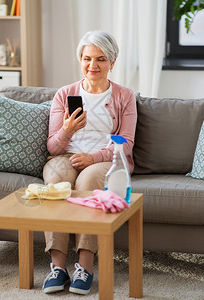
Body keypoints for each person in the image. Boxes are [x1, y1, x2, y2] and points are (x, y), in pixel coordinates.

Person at [41, 30, 137, 295]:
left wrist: (93, 158)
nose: (92, 66)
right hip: (65, 156)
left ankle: (85, 266)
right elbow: (52, 145)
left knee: (89, 180)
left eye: (101, 59)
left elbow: (126, 143)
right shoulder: (64, 94)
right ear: (80, 60)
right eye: (87, 58)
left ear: (112, 62)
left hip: (106, 159)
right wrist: (68, 130)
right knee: (56, 182)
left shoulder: (124, 96)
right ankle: (57, 267)